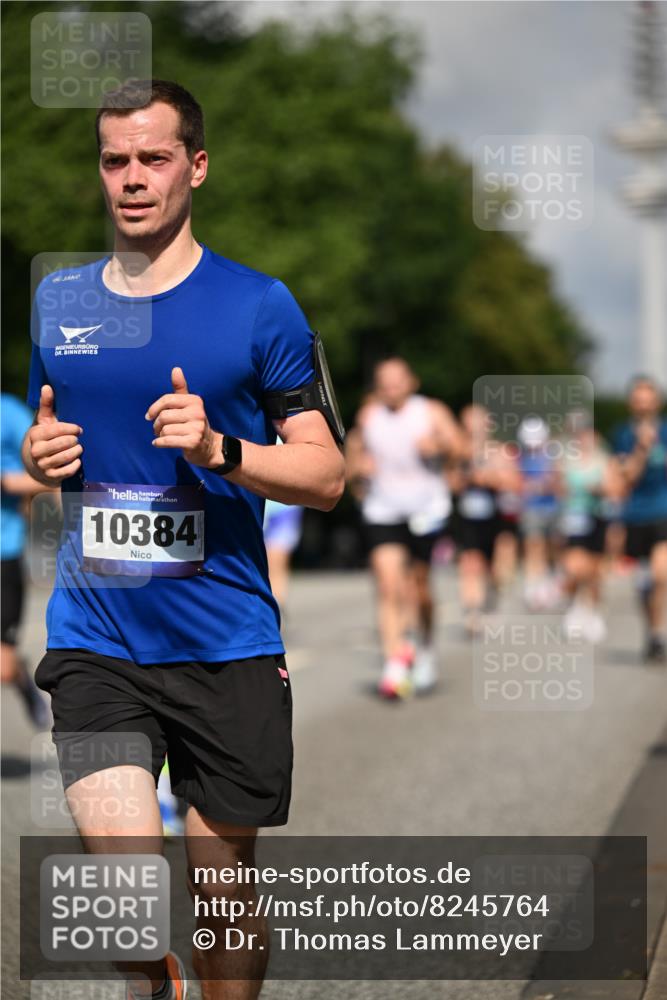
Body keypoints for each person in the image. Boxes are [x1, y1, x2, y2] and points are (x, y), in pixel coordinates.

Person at [23, 79, 345, 1000]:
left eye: (153, 158)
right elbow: (53, 437)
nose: (132, 178)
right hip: (97, 634)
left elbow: (325, 476)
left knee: (220, 889)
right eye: (114, 160)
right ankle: (149, 979)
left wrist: (220, 448)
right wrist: (42, 456)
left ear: (195, 168)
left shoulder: (260, 306)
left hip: (224, 642)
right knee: (121, 891)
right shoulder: (60, 303)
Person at [346, 358, 462, 697]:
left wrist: (439, 446)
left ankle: (424, 648)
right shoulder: (368, 416)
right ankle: (395, 661)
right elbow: (350, 464)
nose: (391, 387)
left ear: (411, 382)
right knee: (387, 584)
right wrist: (359, 468)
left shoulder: (431, 411)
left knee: (419, 588)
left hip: (427, 508)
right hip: (383, 509)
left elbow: (460, 449)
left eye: (397, 381)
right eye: (384, 381)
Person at [1, 392, 50, 727]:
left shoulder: (8, 412)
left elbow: (46, 471)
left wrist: (7, 481)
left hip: (4, 552)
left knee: (3, 667)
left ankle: (24, 685)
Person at [452, 404, 522, 636]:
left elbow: (515, 483)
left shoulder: (500, 451)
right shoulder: (459, 451)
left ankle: (490, 597)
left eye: (478, 422)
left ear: (488, 424)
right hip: (467, 517)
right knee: (469, 563)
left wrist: (489, 478)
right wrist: (464, 478)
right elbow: (448, 482)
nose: (473, 428)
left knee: (492, 567)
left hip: (494, 517)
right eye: (468, 422)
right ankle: (472, 612)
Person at [612, 376, 667, 663]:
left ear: (656, 401)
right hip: (635, 514)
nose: (643, 404)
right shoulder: (622, 435)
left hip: (664, 511)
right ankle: (654, 632)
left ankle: (658, 630)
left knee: (661, 573)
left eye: (648, 398)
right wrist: (642, 448)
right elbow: (626, 477)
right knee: (645, 584)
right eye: (638, 398)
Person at [559, 411, 620, 643]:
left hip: (598, 518)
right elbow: (558, 486)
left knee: (595, 569)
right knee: (574, 566)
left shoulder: (604, 458)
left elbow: (615, 488)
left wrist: (600, 488)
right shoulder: (565, 458)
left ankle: (592, 610)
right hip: (573, 518)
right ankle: (576, 605)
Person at [516, 415, 561, 610]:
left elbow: (559, 479)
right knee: (534, 546)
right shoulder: (520, 456)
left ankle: (552, 582)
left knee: (553, 548)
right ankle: (533, 587)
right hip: (531, 508)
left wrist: (547, 484)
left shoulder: (553, 454)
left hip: (553, 508)